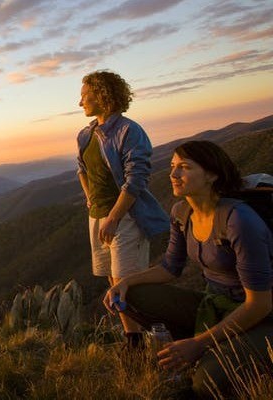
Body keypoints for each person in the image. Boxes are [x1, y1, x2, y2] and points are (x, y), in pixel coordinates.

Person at [104, 140, 273, 397]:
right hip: (215, 305)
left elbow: (259, 304)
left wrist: (199, 343)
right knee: (134, 296)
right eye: (172, 166)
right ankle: (210, 345)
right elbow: (170, 267)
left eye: (184, 167)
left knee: (206, 383)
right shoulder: (182, 212)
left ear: (212, 175)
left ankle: (221, 350)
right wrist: (125, 282)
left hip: (262, 317)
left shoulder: (238, 221)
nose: (173, 174)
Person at [76, 70, 169, 348]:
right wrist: (91, 198)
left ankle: (141, 341)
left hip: (125, 217)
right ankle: (133, 337)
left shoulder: (129, 131)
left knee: (125, 282)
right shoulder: (85, 134)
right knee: (111, 278)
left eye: (84, 95)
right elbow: (81, 169)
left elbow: (136, 178)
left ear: (102, 95)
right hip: (98, 216)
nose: (80, 102)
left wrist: (114, 217)